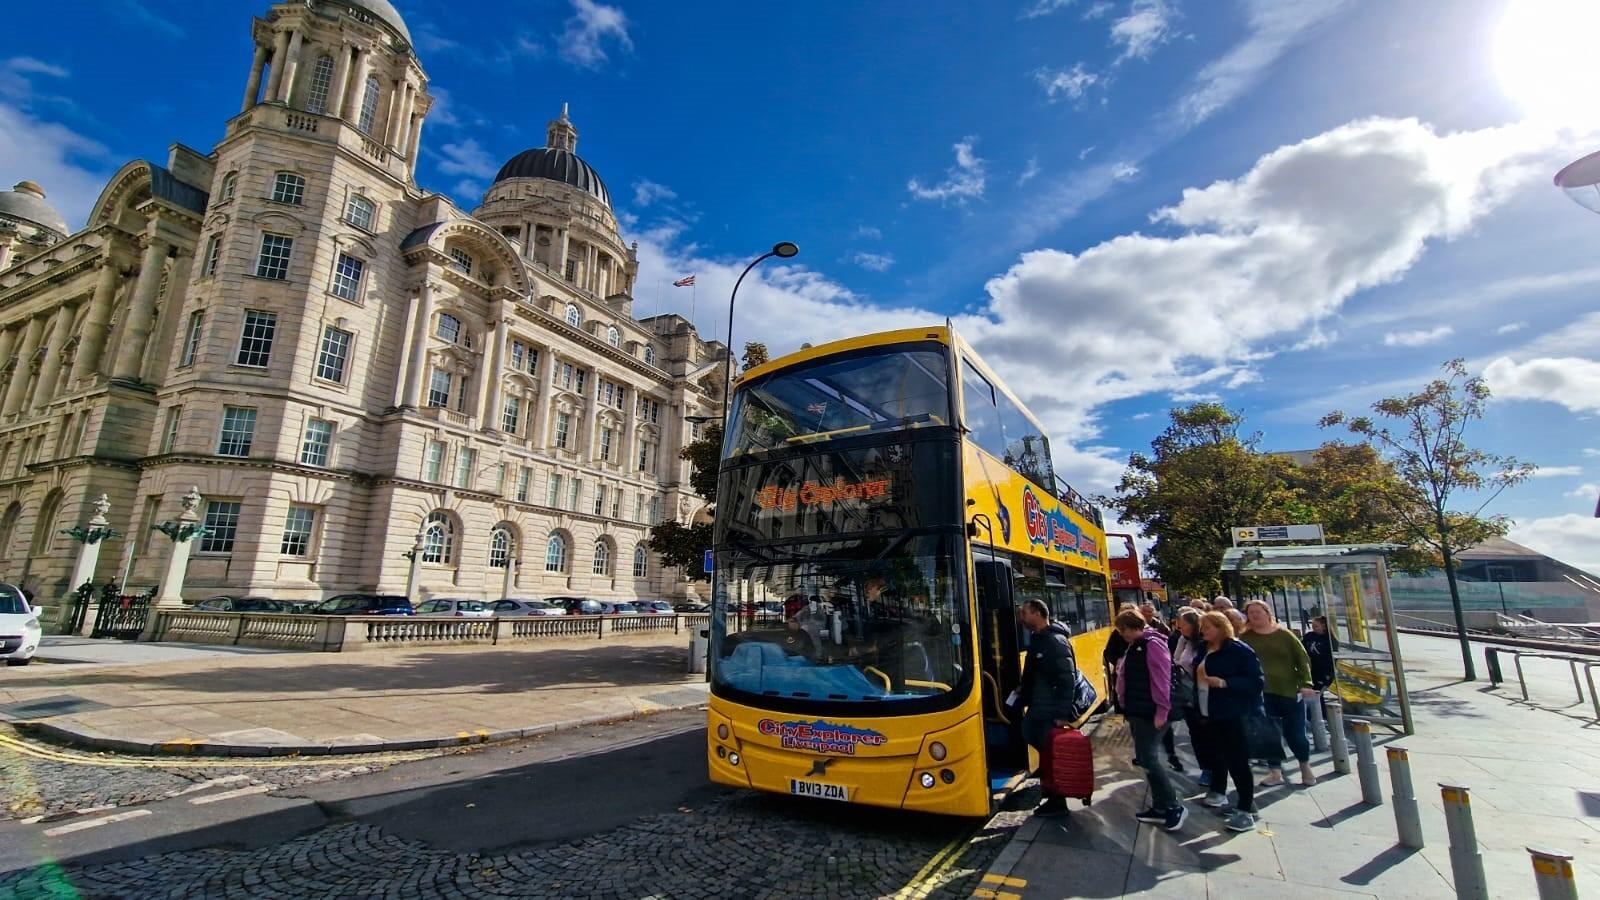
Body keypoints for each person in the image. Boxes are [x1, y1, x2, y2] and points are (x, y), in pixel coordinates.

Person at [1115, 609, 1187, 831]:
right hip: (1139, 709)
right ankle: (1160, 807)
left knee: (1149, 758)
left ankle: (1174, 806)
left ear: (1131, 627)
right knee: (1147, 759)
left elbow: (1161, 679)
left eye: (1122, 630)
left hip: (1150, 711)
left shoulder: (1151, 644)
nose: (1121, 634)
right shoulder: (1138, 644)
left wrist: (1162, 711)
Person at [1195, 610, 1266, 833]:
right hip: (1210, 711)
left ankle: (1246, 810)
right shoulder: (1204, 648)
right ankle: (1223, 794)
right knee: (1218, 756)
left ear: (1221, 628)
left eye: (1208, 627)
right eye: (1202, 626)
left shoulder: (1239, 651)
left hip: (1235, 714)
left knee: (1238, 762)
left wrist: (1225, 683)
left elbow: (1256, 683)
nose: (1203, 630)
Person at [1239, 600, 1317, 787]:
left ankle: (1305, 766)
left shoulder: (1285, 635)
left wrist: (1306, 682)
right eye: (1251, 613)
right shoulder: (1245, 638)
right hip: (1262, 693)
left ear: (1268, 613)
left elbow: (1302, 659)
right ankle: (1275, 772)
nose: (1255, 615)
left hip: (1289, 690)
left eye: (1258, 611)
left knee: (1295, 733)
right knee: (1268, 734)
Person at [1014, 598, 1079, 818]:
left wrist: (1062, 714)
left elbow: (1067, 679)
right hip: (1037, 708)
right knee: (1031, 736)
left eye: (1025, 612)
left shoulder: (1055, 641)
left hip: (1050, 711)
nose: (1021, 617)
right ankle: (1050, 790)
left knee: (1051, 753)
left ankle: (1057, 800)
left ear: (1038, 614)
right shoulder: (1038, 640)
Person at [1169, 608, 1204, 778]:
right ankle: (1206, 769)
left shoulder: (1205, 642)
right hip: (1187, 694)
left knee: (1207, 734)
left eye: (1183, 626)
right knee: (1195, 734)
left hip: (1205, 694)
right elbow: (1176, 660)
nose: (1180, 629)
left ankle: (1214, 770)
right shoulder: (1183, 640)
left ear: (1194, 625)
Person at [1302, 615, 1339, 693]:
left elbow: (1332, 659)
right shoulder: (1309, 636)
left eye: (1316, 626)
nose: (1313, 628)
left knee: (1317, 693)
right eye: (1312, 626)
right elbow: (1301, 647)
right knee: (1311, 693)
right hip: (1311, 671)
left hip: (1323, 673)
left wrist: (1328, 674)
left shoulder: (1330, 640)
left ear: (1324, 627)